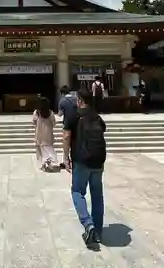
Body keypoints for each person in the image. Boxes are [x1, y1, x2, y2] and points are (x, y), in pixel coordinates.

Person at [62, 89, 106, 248]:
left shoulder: (74, 115)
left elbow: (66, 136)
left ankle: (89, 225)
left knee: (77, 191)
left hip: (81, 160)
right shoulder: (97, 117)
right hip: (98, 161)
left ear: (79, 100)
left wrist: (65, 157)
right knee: (97, 195)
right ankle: (98, 231)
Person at [32, 97, 60, 172]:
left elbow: (34, 122)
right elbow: (53, 123)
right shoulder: (50, 113)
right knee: (48, 149)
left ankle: (43, 163)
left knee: (40, 150)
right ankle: (48, 161)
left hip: (39, 133)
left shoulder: (36, 112)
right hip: (48, 134)